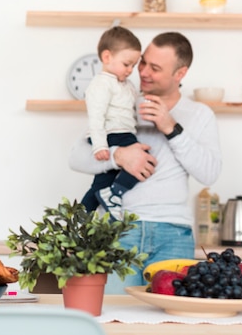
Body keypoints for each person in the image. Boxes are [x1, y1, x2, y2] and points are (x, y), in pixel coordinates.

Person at [69, 32, 222, 294]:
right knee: (113, 321)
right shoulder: (121, 99)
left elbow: (209, 173)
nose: (143, 72)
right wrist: (118, 155)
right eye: (143, 63)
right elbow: (76, 157)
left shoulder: (199, 114)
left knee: (170, 325)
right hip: (116, 232)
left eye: (155, 68)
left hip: (173, 234)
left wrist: (171, 127)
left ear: (180, 73)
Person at [83, 26, 142, 220]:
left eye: (133, 65)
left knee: (102, 182)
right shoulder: (101, 84)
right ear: (107, 57)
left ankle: (78, 218)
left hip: (123, 132)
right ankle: (115, 194)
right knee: (142, 157)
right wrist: (99, 144)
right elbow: (96, 116)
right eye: (127, 64)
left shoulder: (124, 84)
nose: (130, 70)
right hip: (113, 133)